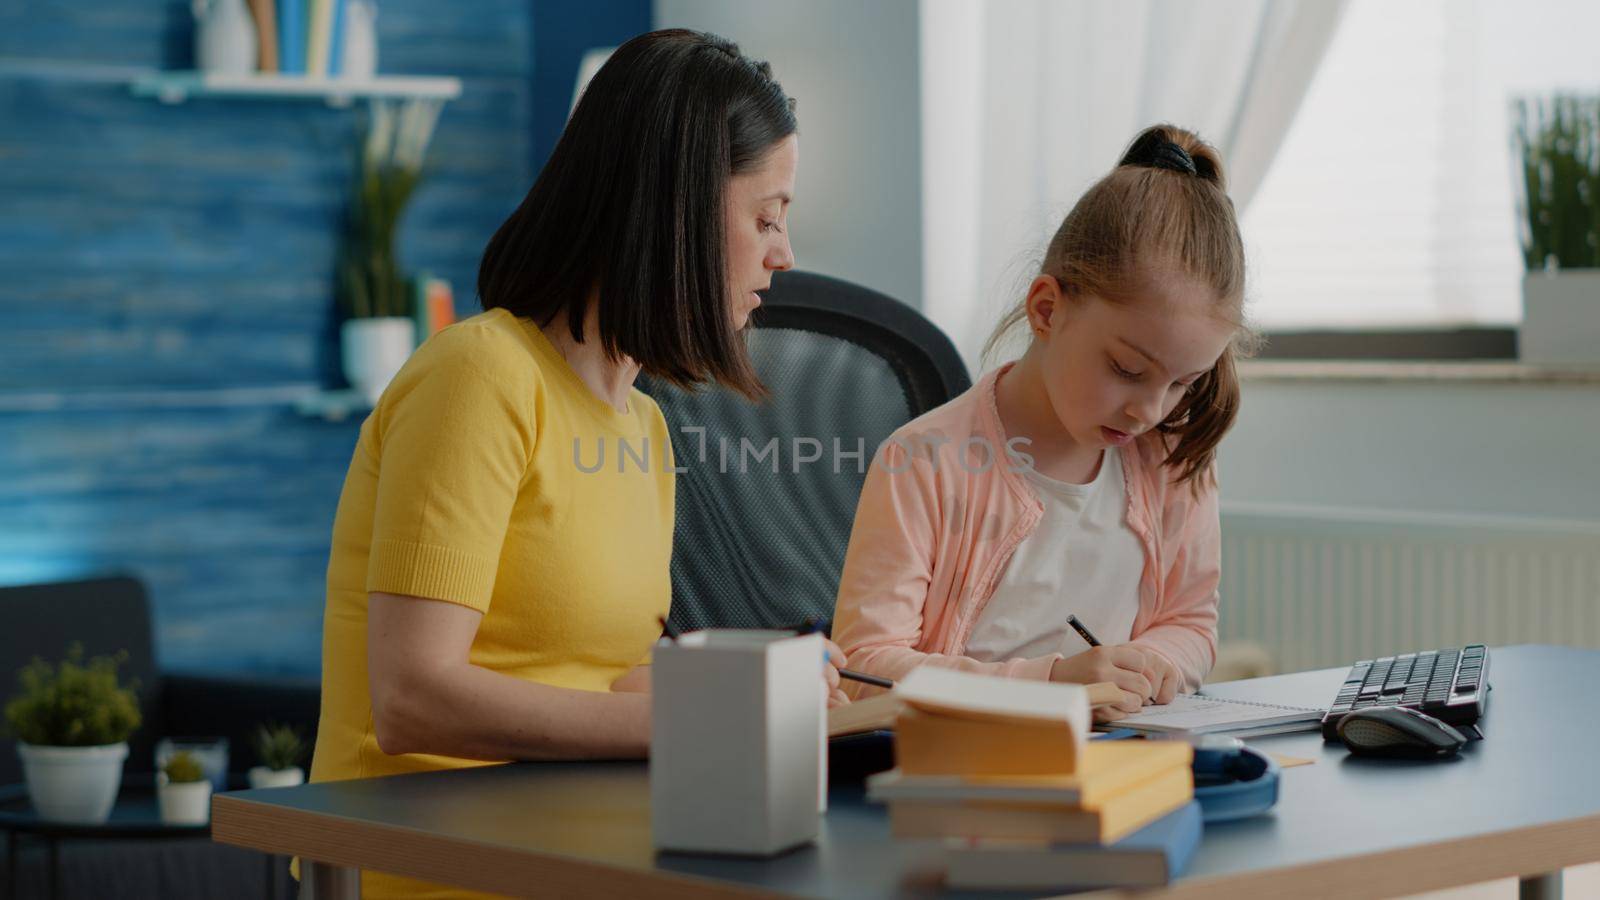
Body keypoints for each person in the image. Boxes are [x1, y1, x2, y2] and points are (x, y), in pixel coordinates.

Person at [306, 29, 845, 899]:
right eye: (767, 216)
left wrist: (760, 695)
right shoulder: (479, 376)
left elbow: (599, 671)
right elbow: (411, 696)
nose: (783, 253)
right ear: (675, 206)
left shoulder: (642, 427)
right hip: (429, 865)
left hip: (576, 848)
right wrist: (687, 724)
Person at [831, 124, 1251, 722]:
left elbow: (1188, 622)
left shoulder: (1175, 459)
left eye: (1184, 383)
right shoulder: (923, 461)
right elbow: (865, 668)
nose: (1151, 411)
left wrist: (1153, 663)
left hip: (1118, 764)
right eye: (1128, 369)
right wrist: (1049, 684)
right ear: (1047, 310)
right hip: (963, 769)